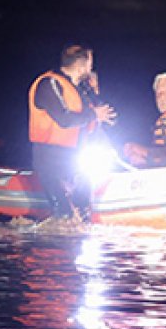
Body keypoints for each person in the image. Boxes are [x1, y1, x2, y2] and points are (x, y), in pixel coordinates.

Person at [28, 44, 116, 217]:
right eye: (90, 65)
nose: (91, 69)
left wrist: (96, 102)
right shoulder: (49, 83)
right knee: (64, 214)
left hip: (74, 160)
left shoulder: (81, 89)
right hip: (51, 159)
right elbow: (65, 119)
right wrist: (93, 114)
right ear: (80, 66)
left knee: (83, 212)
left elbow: (105, 117)